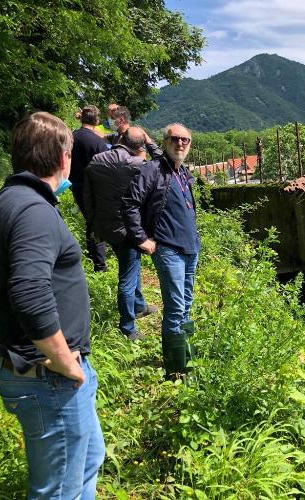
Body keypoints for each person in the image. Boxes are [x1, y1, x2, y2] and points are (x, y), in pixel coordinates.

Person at [0, 112, 105, 499]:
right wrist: (63, 360)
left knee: (89, 459)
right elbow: (28, 290)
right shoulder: (33, 211)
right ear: (63, 158)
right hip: (48, 376)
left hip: (45, 374)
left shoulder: (10, 201)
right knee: (58, 491)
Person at [122, 123, 200, 378]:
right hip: (168, 249)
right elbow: (130, 203)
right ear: (165, 142)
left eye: (185, 140)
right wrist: (140, 238)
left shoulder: (183, 172)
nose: (180, 144)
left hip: (190, 248)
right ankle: (175, 370)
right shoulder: (152, 170)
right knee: (176, 306)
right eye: (175, 139)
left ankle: (185, 357)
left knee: (186, 304)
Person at [84, 127, 161, 340]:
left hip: (105, 227)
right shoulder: (138, 165)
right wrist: (149, 141)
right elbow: (164, 163)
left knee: (131, 264)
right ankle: (127, 328)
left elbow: (88, 199)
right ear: (140, 145)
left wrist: (92, 227)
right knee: (127, 276)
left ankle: (138, 305)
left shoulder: (95, 161)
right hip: (129, 229)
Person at [71, 104, 109, 272]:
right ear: (97, 120)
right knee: (96, 223)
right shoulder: (98, 141)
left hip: (76, 185)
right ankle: (99, 265)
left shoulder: (71, 137)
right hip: (94, 187)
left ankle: (90, 254)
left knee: (89, 220)